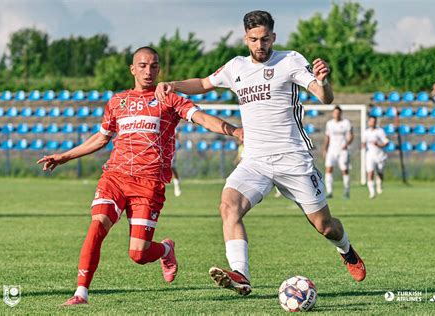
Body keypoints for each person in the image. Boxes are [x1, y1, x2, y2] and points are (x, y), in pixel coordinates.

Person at [155, 10, 366, 296]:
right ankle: (241, 274)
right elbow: (204, 83)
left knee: (325, 226)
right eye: (254, 39)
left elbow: (324, 97)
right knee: (228, 206)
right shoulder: (236, 67)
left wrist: (324, 82)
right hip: (255, 161)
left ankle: (347, 251)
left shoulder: (290, 60)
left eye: (265, 39)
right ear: (246, 39)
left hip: (293, 159)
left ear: (273, 37)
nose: (260, 45)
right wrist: (172, 85)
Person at [37, 46, 242, 305]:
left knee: (138, 254)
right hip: (115, 176)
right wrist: (64, 156)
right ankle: (81, 292)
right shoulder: (117, 102)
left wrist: (235, 131)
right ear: (132, 69)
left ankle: (166, 250)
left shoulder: (170, 99)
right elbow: (102, 138)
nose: (148, 71)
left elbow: (201, 118)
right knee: (98, 223)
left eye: (154, 66)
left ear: (159, 70)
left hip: (149, 183)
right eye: (143, 66)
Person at [323, 106, 354, 198]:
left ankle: (346, 191)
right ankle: (329, 191)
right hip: (331, 150)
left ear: (341, 113)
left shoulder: (346, 123)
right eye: (335, 112)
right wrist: (325, 149)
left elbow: (351, 136)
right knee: (328, 169)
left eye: (338, 113)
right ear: (333, 113)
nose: (336, 114)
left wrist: (347, 144)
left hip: (342, 150)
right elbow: (327, 137)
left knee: (344, 170)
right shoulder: (329, 124)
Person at [362, 116, 389, 199]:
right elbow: (363, 143)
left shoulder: (380, 131)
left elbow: (386, 143)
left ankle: (379, 185)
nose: (372, 123)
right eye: (371, 121)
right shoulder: (366, 132)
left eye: (374, 121)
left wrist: (379, 145)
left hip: (380, 155)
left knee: (380, 172)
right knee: (370, 173)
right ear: (369, 122)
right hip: (370, 155)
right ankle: (372, 193)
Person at [171, 130, 182, 197]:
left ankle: (176, 185)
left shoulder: (172, 125)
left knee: (171, 167)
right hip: (160, 148)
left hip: (171, 149)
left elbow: (177, 136)